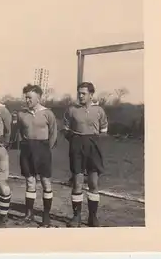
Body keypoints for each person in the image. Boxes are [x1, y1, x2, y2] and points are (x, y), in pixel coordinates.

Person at [62, 82, 108, 227]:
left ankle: (93, 217)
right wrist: (76, 141)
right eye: (79, 93)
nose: (80, 96)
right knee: (77, 183)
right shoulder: (71, 110)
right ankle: (76, 216)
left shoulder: (99, 110)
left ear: (91, 95)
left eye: (84, 93)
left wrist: (93, 142)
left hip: (93, 146)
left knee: (93, 183)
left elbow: (104, 130)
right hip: (76, 146)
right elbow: (65, 129)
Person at [17, 84, 58, 227]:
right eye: (26, 97)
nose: (27, 100)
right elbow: (21, 131)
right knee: (30, 181)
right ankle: (29, 214)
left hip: (43, 149)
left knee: (46, 182)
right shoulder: (22, 114)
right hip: (27, 148)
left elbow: (53, 134)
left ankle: (46, 216)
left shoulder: (48, 113)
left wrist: (46, 149)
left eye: (30, 97)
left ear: (38, 98)